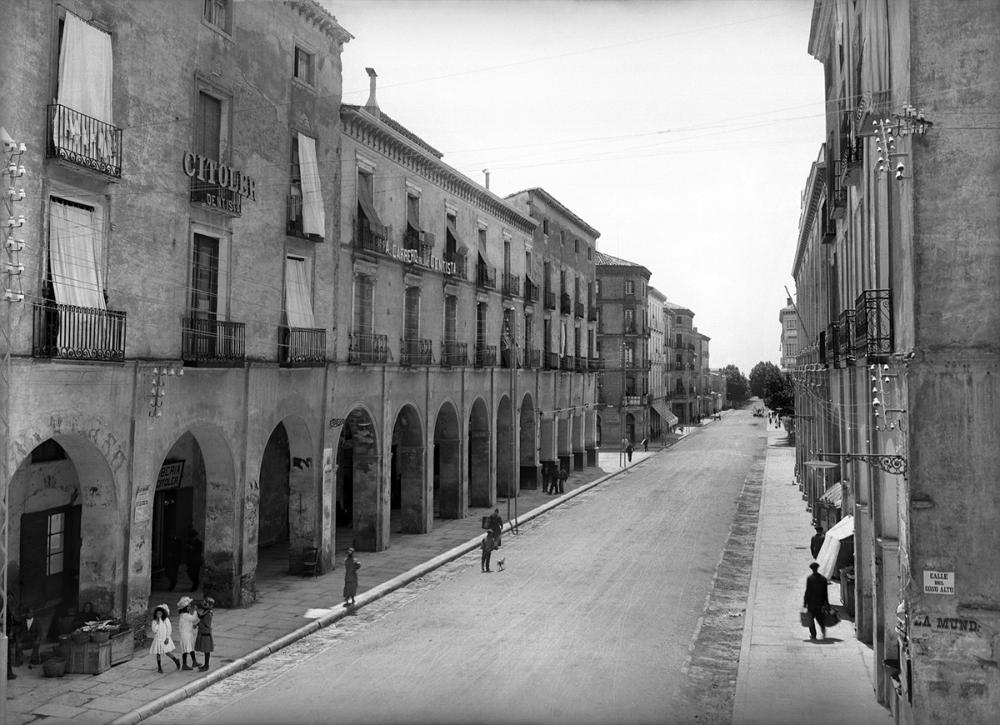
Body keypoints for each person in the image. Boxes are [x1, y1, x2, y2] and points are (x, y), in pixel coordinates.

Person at [149, 604, 180, 673]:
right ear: (156, 614)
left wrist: (167, 638)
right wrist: (157, 622)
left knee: (167, 652)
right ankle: (159, 667)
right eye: (158, 613)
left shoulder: (166, 620)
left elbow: (169, 629)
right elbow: (154, 630)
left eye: (160, 613)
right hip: (157, 639)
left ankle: (176, 660)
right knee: (158, 653)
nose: (159, 614)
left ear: (163, 613)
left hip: (164, 638)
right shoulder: (154, 621)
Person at [803, 562, 830, 640]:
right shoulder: (823, 579)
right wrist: (827, 603)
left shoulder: (810, 578)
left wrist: (805, 602)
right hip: (820, 602)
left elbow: (807, 592)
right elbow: (825, 592)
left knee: (810, 619)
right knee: (820, 618)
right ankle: (823, 629)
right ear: (817, 569)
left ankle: (813, 635)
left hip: (811, 603)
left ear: (812, 569)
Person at [176, 596, 200, 670]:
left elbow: (188, 623)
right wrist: (195, 611)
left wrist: (192, 625)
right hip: (185, 635)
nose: (190, 607)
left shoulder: (185, 615)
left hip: (188, 634)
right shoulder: (185, 615)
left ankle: (194, 662)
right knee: (186, 649)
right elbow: (194, 618)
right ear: (185, 608)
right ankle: (185, 664)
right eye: (189, 606)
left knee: (190, 648)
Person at [194, 597, 215, 672]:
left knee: (207, 651)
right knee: (206, 650)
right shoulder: (206, 612)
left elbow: (206, 624)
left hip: (206, 634)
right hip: (204, 633)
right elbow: (201, 617)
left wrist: (199, 624)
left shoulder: (208, 614)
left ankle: (206, 666)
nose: (204, 604)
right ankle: (205, 665)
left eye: (206, 603)